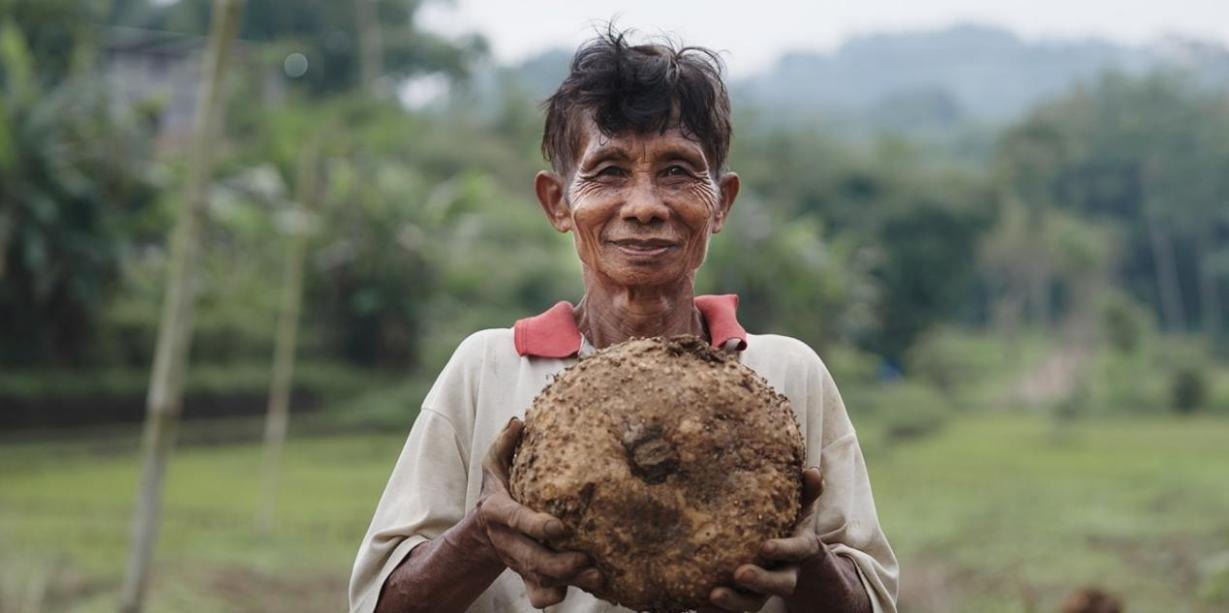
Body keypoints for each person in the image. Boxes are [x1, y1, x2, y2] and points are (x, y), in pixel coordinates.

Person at [349, 28, 898, 613]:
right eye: (608, 171)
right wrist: (485, 534)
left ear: (722, 203)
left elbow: (872, 601)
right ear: (557, 203)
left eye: (678, 172)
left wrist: (805, 558)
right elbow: (378, 603)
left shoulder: (789, 373)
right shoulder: (486, 369)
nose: (643, 206)